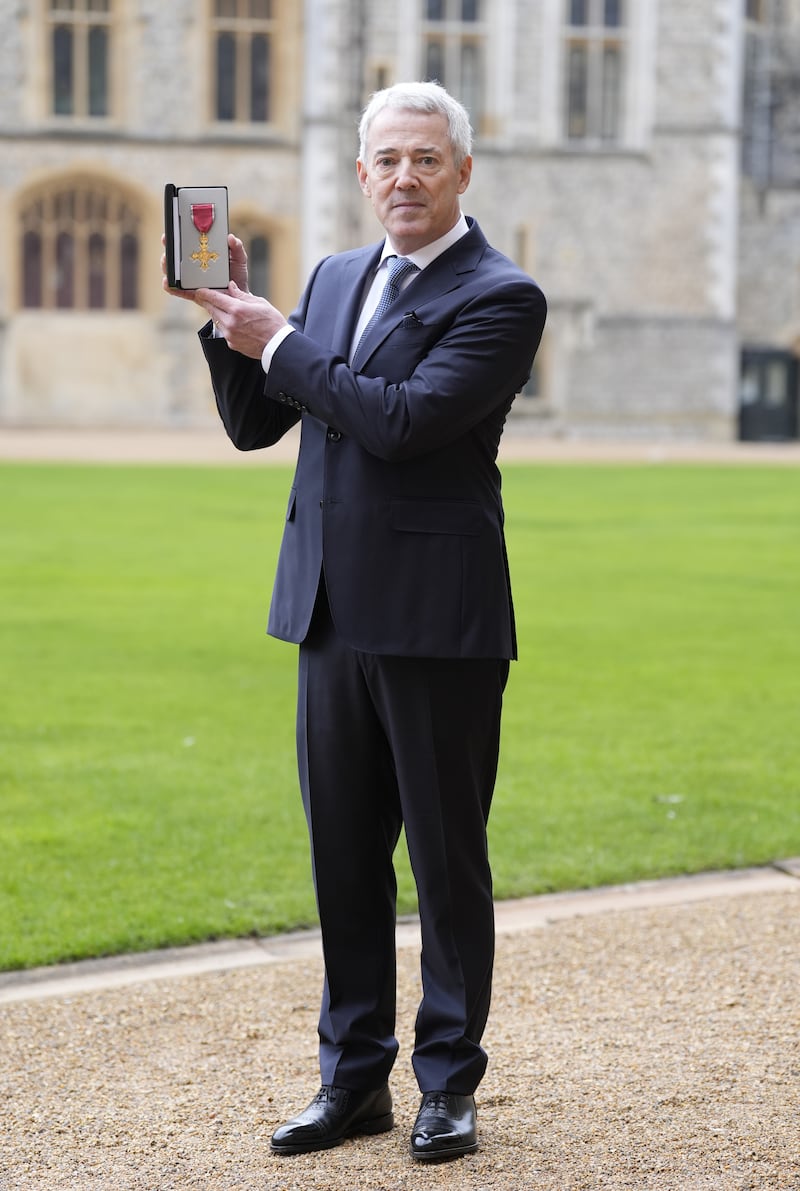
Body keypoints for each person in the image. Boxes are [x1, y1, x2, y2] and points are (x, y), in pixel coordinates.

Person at [162, 80, 546, 1163]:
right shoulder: (332, 278)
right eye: (385, 159)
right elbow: (258, 426)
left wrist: (278, 340)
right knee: (342, 861)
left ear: (462, 172)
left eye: (425, 159)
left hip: (437, 621)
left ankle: (448, 1085)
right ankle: (352, 1083)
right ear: (361, 171)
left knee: (443, 861)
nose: (403, 178)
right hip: (327, 613)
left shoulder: (500, 295)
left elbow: (403, 423)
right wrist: (225, 326)